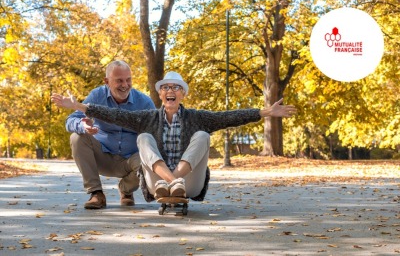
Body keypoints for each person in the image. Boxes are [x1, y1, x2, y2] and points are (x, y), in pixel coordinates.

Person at [52, 71, 296, 202]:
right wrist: (81, 106)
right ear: (160, 95)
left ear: (183, 95)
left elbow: (229, 116)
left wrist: (265, 112)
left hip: (189, 182)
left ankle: (175, 180)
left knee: (202, 135)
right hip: (156, 183)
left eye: (176, 88)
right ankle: (169, 181)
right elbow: (110, 114)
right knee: (144, 138)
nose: (171, 91)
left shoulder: (197, 117)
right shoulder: (147, 117)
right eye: (166, 88)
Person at [64, 60, 155, 209]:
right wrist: (83, 125)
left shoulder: (144, 102)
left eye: (128, 80)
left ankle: (126, 190)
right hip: (102, 156)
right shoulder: (97, 96)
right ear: (107, 81)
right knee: (77, 137)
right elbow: (70, 120)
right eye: (119, 80)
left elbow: (155, 133)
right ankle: (96, 194)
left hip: (132, 159)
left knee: (151, 159)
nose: (125, 85)